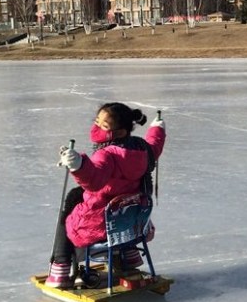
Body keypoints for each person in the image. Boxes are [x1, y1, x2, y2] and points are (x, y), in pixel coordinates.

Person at [46, 103, 166, 288]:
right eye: (96, 121)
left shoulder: (107, 154)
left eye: (103, 126)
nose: (96, 128)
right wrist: (156, 128)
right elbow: (155, 145)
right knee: (80, 196)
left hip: (102, 225)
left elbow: (95, 180)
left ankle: (60, 268)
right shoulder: (142, 149)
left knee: (68, 215)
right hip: (133, 224)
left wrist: (78, 165)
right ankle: (128, 254)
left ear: (118, 133)